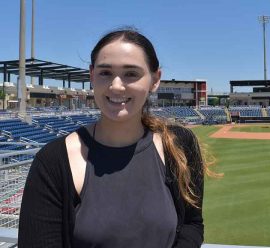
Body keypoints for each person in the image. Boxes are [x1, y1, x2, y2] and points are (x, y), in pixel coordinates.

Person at [18, 28, 205, 248]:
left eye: (131, 73)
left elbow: (192, 225)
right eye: (105, 73)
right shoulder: (53, 161)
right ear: (91, 76)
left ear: (155, 80)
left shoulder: (180, 145)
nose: (116, 86)